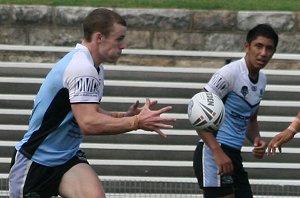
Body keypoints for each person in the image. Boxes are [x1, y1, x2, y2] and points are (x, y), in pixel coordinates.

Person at [9, 8, 176, 198]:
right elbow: (88, 123)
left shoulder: (94, 68)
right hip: (36, 160)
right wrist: (136, 122)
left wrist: (123, 117)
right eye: (119, 39)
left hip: (66, 157)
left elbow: (90, 111)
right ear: (99, 37)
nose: (123, 46)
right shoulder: (82, 67)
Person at [193, 23, 279, 198]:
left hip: (233, 155)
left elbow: (251, 119)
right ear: (246, 46)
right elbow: (198, 110)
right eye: (259, 46)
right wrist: (217, 151)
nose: (263, 53)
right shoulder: (229, 73)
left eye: (269, 48)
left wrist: (256, 139)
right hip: (214, 153)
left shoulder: (262, 79)